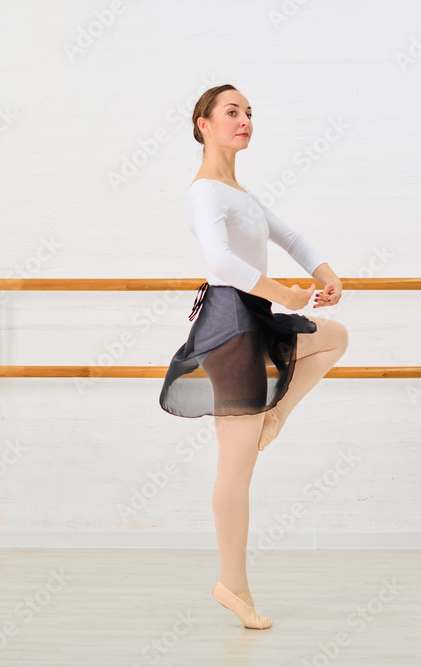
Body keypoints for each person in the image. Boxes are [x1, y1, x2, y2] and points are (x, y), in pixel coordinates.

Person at [158, 84, 349, 629]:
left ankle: (273, 419)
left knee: (332, 337)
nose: (244, 120)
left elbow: (292, 237)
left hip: (258, 315)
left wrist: (323, 272)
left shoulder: (242, 193)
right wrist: (282, 293)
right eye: (232, 112)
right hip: (230, 324)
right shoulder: (203, 192)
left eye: (248, 113)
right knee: (236, 467)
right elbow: (219, 261)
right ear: (203, 124)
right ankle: (233, 586)